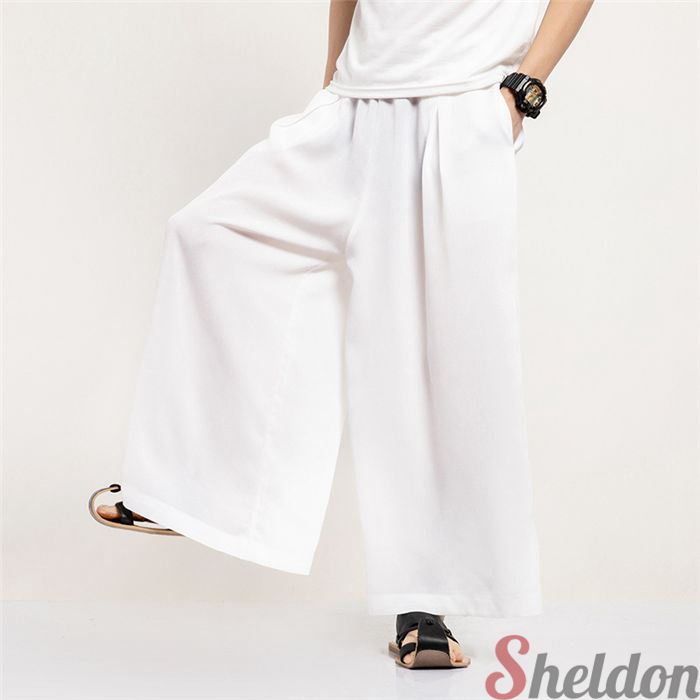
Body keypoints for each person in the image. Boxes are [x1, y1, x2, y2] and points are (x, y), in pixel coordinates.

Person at [89, 0, 593, 669]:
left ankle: (424, 608)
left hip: (458, 109)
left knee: (427, 363)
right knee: (208, 232)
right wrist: (331, 82)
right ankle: (185, 492)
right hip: (353, 103)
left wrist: (521, 93)